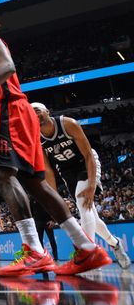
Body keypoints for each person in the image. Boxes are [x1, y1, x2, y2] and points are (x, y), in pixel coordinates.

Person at [0, 9, 111, 276]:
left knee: (1, 175)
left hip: (10, 113)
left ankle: (34, 251)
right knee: (35, 184)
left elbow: (8, 69)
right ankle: (86, 248)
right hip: (12, 112)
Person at [32, 102, 130, 269]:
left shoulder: (68, 123)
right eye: (31, 113)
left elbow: (88, 155)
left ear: (47, 111)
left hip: (86, 163)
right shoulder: (36, 138)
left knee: (83, 203)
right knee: (91, 215)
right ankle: (115, 243)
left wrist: (91, 184)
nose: (35, 115)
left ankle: (87, 254)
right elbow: (48, 170)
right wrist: (54, 197)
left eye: (37, 111)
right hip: (67, 171)